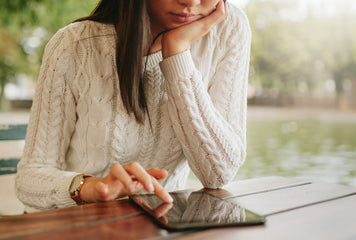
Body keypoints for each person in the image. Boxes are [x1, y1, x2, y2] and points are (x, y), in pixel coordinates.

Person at [15, 0, 251, 212]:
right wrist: (94, 188)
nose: (190, 2)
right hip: (73, 224)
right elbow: (29, 179)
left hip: (159, 225)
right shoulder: (74, 45)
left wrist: (177, 54)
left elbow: (218, 175)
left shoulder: (228, 29)